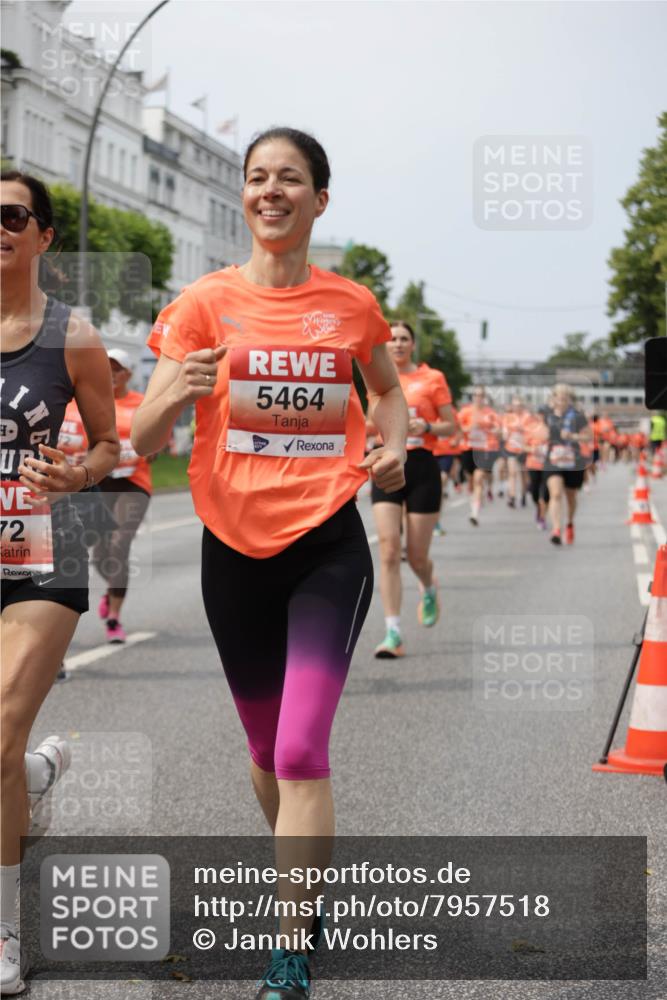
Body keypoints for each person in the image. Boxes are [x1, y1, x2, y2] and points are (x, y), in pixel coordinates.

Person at [131, 128, 407, 1000]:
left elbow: (388, 394)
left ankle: (289, 947)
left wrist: (394, 448)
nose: (270, 191)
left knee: (298, 748)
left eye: (289, 179)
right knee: (262, 748)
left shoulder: (352, 306)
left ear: (319, 200)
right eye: (257, 179)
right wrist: (179, 389)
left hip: (326, 543)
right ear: (245, 198)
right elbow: (138, 438)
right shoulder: (202, 304)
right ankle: (308, 883)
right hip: (231, 546)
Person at [0, 171, 119, 994]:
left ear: (43, 236)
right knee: (3, 757)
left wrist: (79, 474)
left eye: (11, 215)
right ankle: (33, 777)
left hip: (41, 552)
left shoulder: (70, 335)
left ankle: (5, 931)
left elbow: (111, 445)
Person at [369, 321, 456, 658]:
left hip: (422, 466)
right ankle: (393, 633)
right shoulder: (375, 378)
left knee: (416, 555)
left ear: (413, 345)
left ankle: (429, 583)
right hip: (387, 464)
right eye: (391, 339)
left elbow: (452, 426)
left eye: (404, 339)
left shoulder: (432, 379)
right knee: (389, 549)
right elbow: (364, 421)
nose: (398, 344)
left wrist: (429, 425)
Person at [542, 384, 591, 545]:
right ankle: (556, 529)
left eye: (565, 398)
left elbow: (588, 437)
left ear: (569, 400)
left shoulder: (577, 416)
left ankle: (569, 522)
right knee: (555, 494)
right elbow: (537, 433)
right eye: (558, 397)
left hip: (573, 461)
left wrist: (573, 436)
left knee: (571, 497)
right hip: (552, 460)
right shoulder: (546, 415)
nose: (561, 401)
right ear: (553, 398)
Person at [458, 386, 502, 526]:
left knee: (478, 478)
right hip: (468, 448)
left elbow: (499, 431)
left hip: (484, 449)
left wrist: (493, 430)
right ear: (473, 397)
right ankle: (477, 499)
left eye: (482, 395)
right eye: (476, 395)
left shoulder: (490, 413)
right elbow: (457, 429)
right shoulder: (465, 412)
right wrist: (469, 428)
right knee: (471, 481)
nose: (479, 398)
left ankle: (474, 514)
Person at [501, 395, 529, 508]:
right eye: (515, 405)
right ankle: (512, 496)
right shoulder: (508, 417)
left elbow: (532, 431)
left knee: (523, 474)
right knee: (512, 472)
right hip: (511, 448)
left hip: (524, 449)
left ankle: (523, 494)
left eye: (520, 405)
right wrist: (505, 434)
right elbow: (504, 432)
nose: (517, 408)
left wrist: (523, 430)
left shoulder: (527, 417)